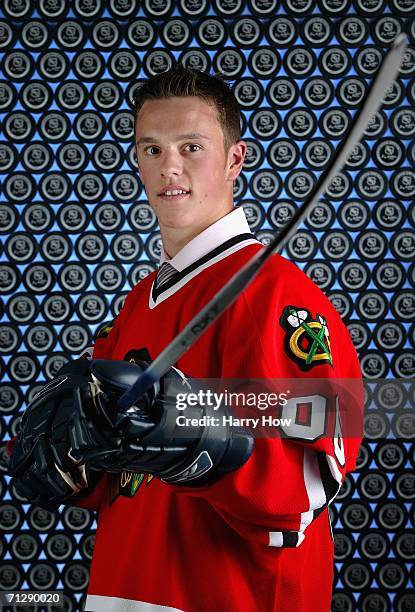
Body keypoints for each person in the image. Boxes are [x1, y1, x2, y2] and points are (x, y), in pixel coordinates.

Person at [8, 67, 363, 612]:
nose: (168, 167)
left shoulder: (275, 295)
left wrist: (208, 443)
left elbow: (313, 479)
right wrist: (73, 461)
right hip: (125, 589)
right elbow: (120, 480)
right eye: (151, 149)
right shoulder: (141, 300)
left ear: (235, 159)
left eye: (190, 146)